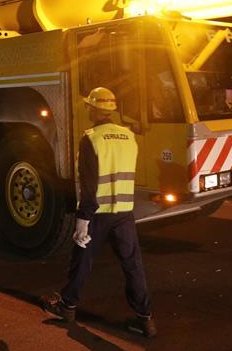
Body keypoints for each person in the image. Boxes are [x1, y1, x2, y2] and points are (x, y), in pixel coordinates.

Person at [41, 87, 157, 338]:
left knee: (82, 261)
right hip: (124, 211)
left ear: (94, 109)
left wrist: (82, 220)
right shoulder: (129, 136)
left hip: (98, 213)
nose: (87, 109)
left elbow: (89, 184)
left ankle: (68, 306)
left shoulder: (91, 138)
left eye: (89, 106)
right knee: (133, 265)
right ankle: (145, 320)